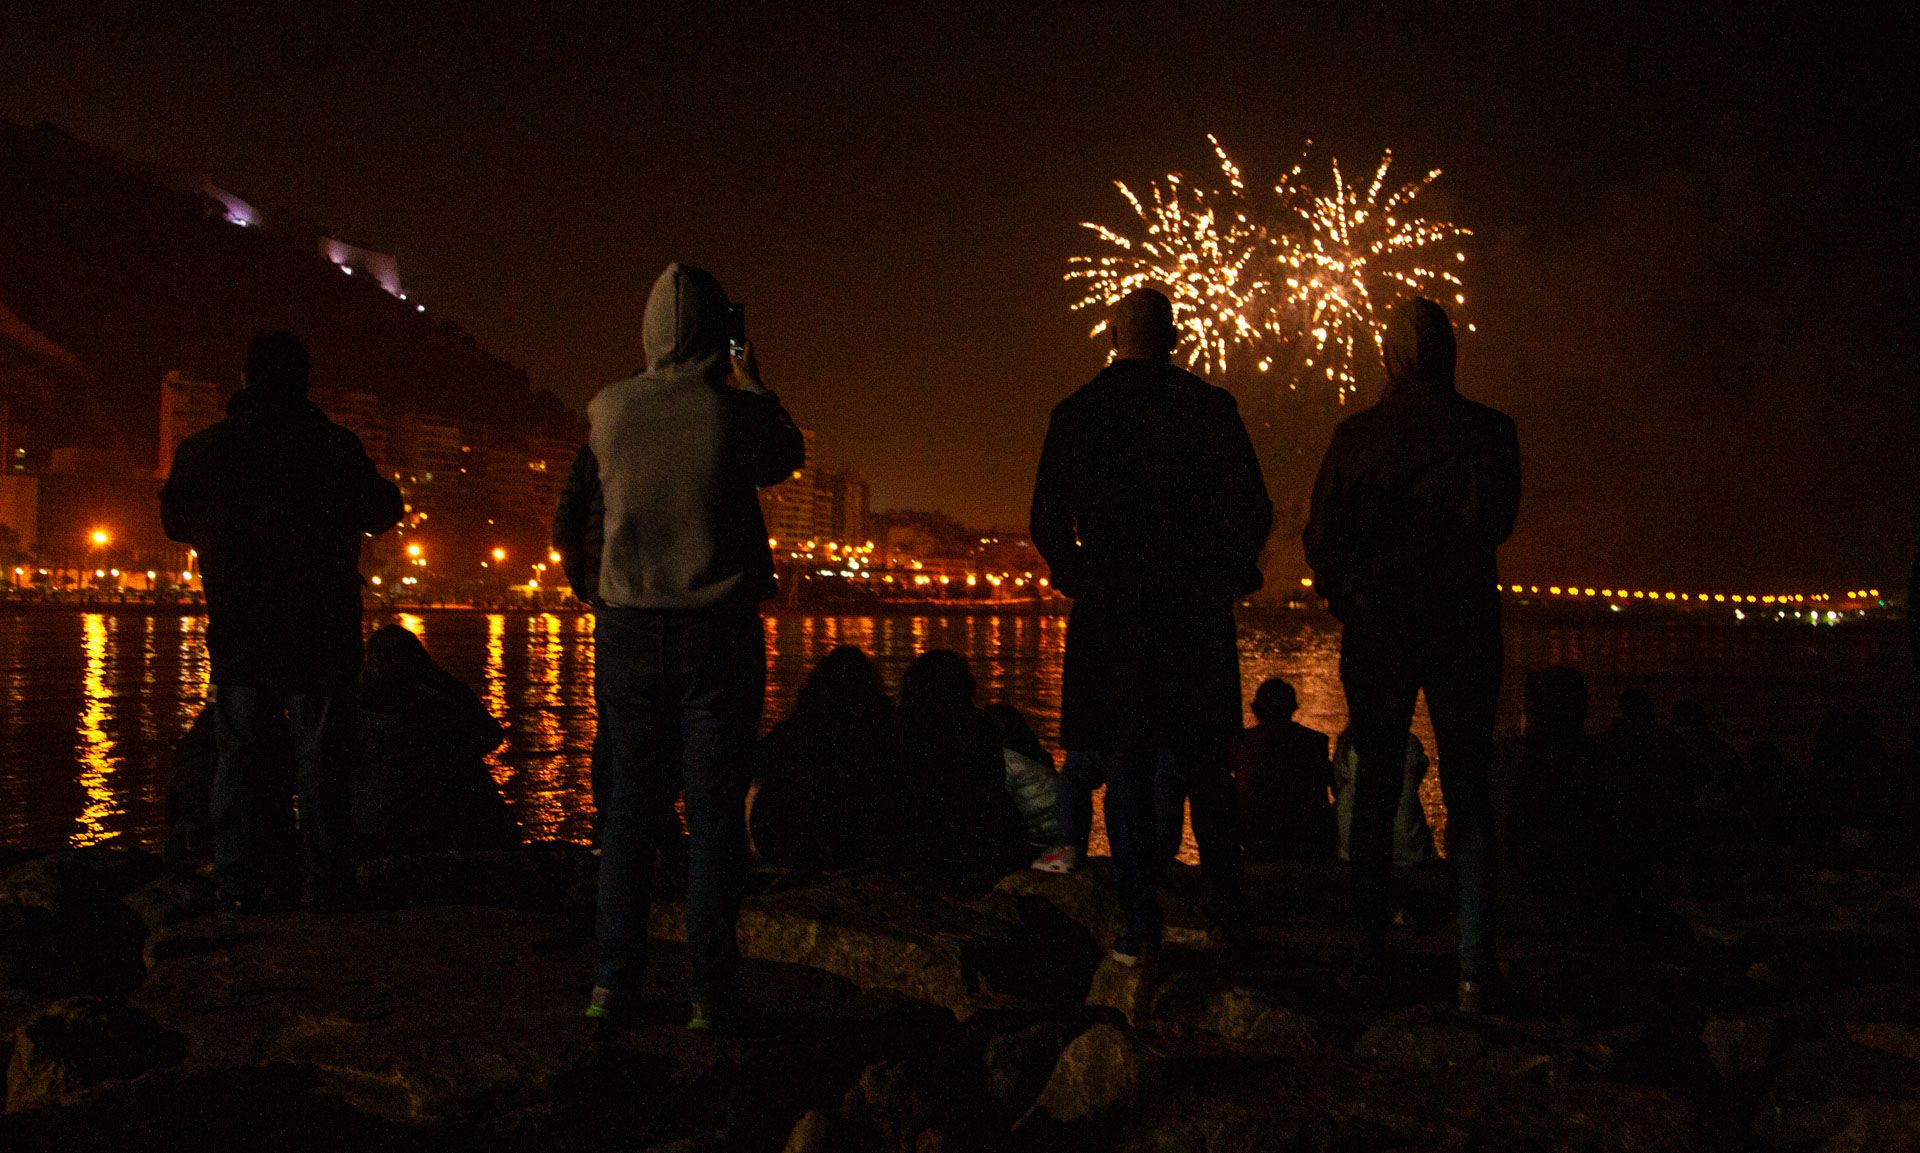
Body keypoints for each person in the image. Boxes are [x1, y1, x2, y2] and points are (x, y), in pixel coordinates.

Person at [584, 262, 805, 1032]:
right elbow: (785, 453)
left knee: (629, 813)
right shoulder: (730, 412)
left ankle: (613, 981)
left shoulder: (606, 408)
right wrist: (753, 378)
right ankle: (709, 992)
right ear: (716, 332)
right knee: (713, 818)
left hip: (627, 629)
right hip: (717, 632)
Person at [1031, 286, 1273, 962]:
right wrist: (1227, 572)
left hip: (1113, 617)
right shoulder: (1210, 408)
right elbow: (1254, 508)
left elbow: (1047, 521)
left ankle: (1142, 925)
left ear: (1111, 335)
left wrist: (1081, 577)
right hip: (1193, 613)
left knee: (1127, 771)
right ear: (1174, 337)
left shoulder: (1076, 413)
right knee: (1206, 774)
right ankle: (1228, 918)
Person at [1303, 297, 1520, 1012]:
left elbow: (1322, 536)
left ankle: (1370, 960)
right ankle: (1473, 966)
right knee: (1468, 791)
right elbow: (1499, 522)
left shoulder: (1358, 435)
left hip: (1381, 624)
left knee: (1372, 792)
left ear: (1391, 359)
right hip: (1464, 625)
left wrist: (1351, 593)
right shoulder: (1492, 432)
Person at [159, 332, 404, 911]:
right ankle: (325, 884)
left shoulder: (204, 449)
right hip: (321, 634)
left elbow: (173, 522)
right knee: (321, 761)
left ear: (244, 380)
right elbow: (384, 510)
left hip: (241, 632)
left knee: (241, 757)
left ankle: (241, 882)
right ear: (303, 383)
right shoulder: (334, 446)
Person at [352, 625, 519, 856]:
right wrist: (443, 681)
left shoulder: (356, 711)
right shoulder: (439, 703)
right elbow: (490, 736)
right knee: (467, 762)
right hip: (437, 826)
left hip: (378, 825)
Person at [751, 646, 901, 870]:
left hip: (804, 841)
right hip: (873, 840)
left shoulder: (803, 728)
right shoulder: (888, 729)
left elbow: (755, 762)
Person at [894, 651, 1032, 872]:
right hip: (981, 844)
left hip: (921, 844)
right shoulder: (979, 725)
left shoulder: (901, 727)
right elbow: (992, 782)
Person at [1232, 679, 1336, 860]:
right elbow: (1334, 784)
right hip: (1308, 833)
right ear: (1292, 708)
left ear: (1257, 709)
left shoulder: (1243, 743)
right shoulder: (1314, 741)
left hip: (1256, 833)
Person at [1332, 729, 1436, 866]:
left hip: (1355, 849)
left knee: (1346, 793)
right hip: (1410, 850)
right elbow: (1417, 776)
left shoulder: (1348, 744)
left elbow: (1337, 787)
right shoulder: (1410, 743)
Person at [986, 704, 1065, 850]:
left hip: (1039, 834)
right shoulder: (1033, 752)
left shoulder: (1006, 758)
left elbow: (998, 802)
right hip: (1062, 828)